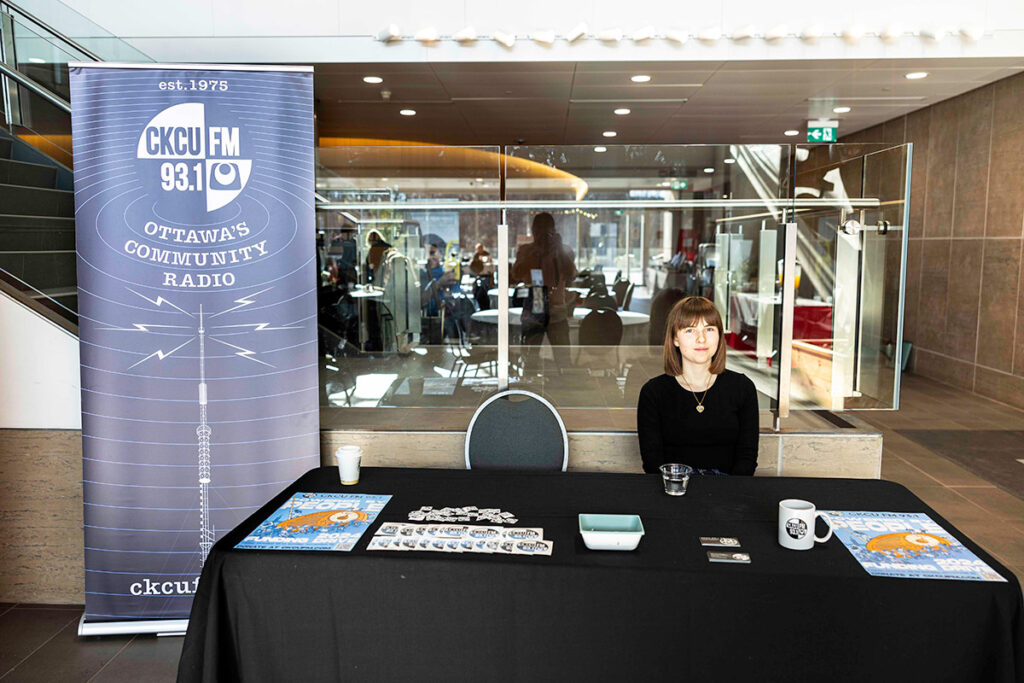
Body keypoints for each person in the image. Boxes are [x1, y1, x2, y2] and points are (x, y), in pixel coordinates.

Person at [636, 296, 758, 475]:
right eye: (690, 330)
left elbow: (747, 458)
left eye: (709, 329)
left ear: (719, 335)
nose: (701, 339)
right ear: (675, 339)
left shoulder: (742, 388)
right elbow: (652, 462)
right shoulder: (654, 393)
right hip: (673, 491)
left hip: (729, 493)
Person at [510, 212, 577, 368]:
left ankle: (559, 389)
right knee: (530, 359)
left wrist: (560, 251)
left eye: (545, 229)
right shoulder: (527, 250)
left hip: (556, 309)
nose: (540, 233)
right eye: (538, 229)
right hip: (535, 308)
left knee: (563, 359)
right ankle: (530, 388)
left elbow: (572, 275)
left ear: (553, 230)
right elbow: (515, 275)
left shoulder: (562, 250)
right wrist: (532, 255)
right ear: (533, 230)